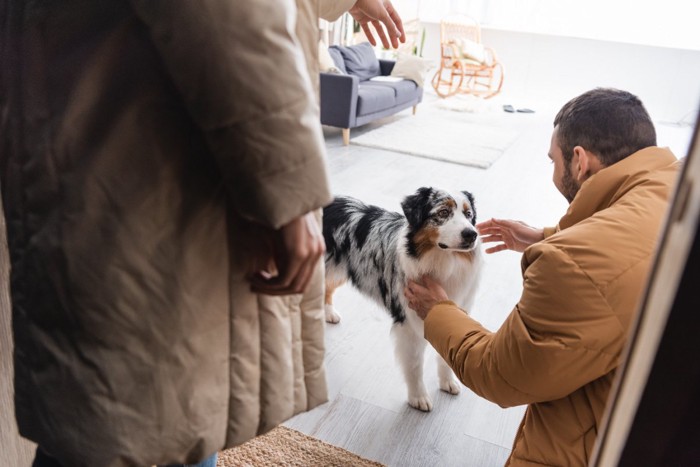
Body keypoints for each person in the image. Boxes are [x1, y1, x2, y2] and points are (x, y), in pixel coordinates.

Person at [0, 0, 403, 466]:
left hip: (81, 138)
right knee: (126, 409)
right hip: (153, 159)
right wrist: (290, 195)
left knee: (124, 401)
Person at [404, 88, 681, 466]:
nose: (553, 171)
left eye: (553, 161)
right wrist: (548, 235)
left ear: (580, 162)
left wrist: (438, 310)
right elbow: (631, 248)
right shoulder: (679, 188)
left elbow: (500, 374)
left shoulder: (568, 265)